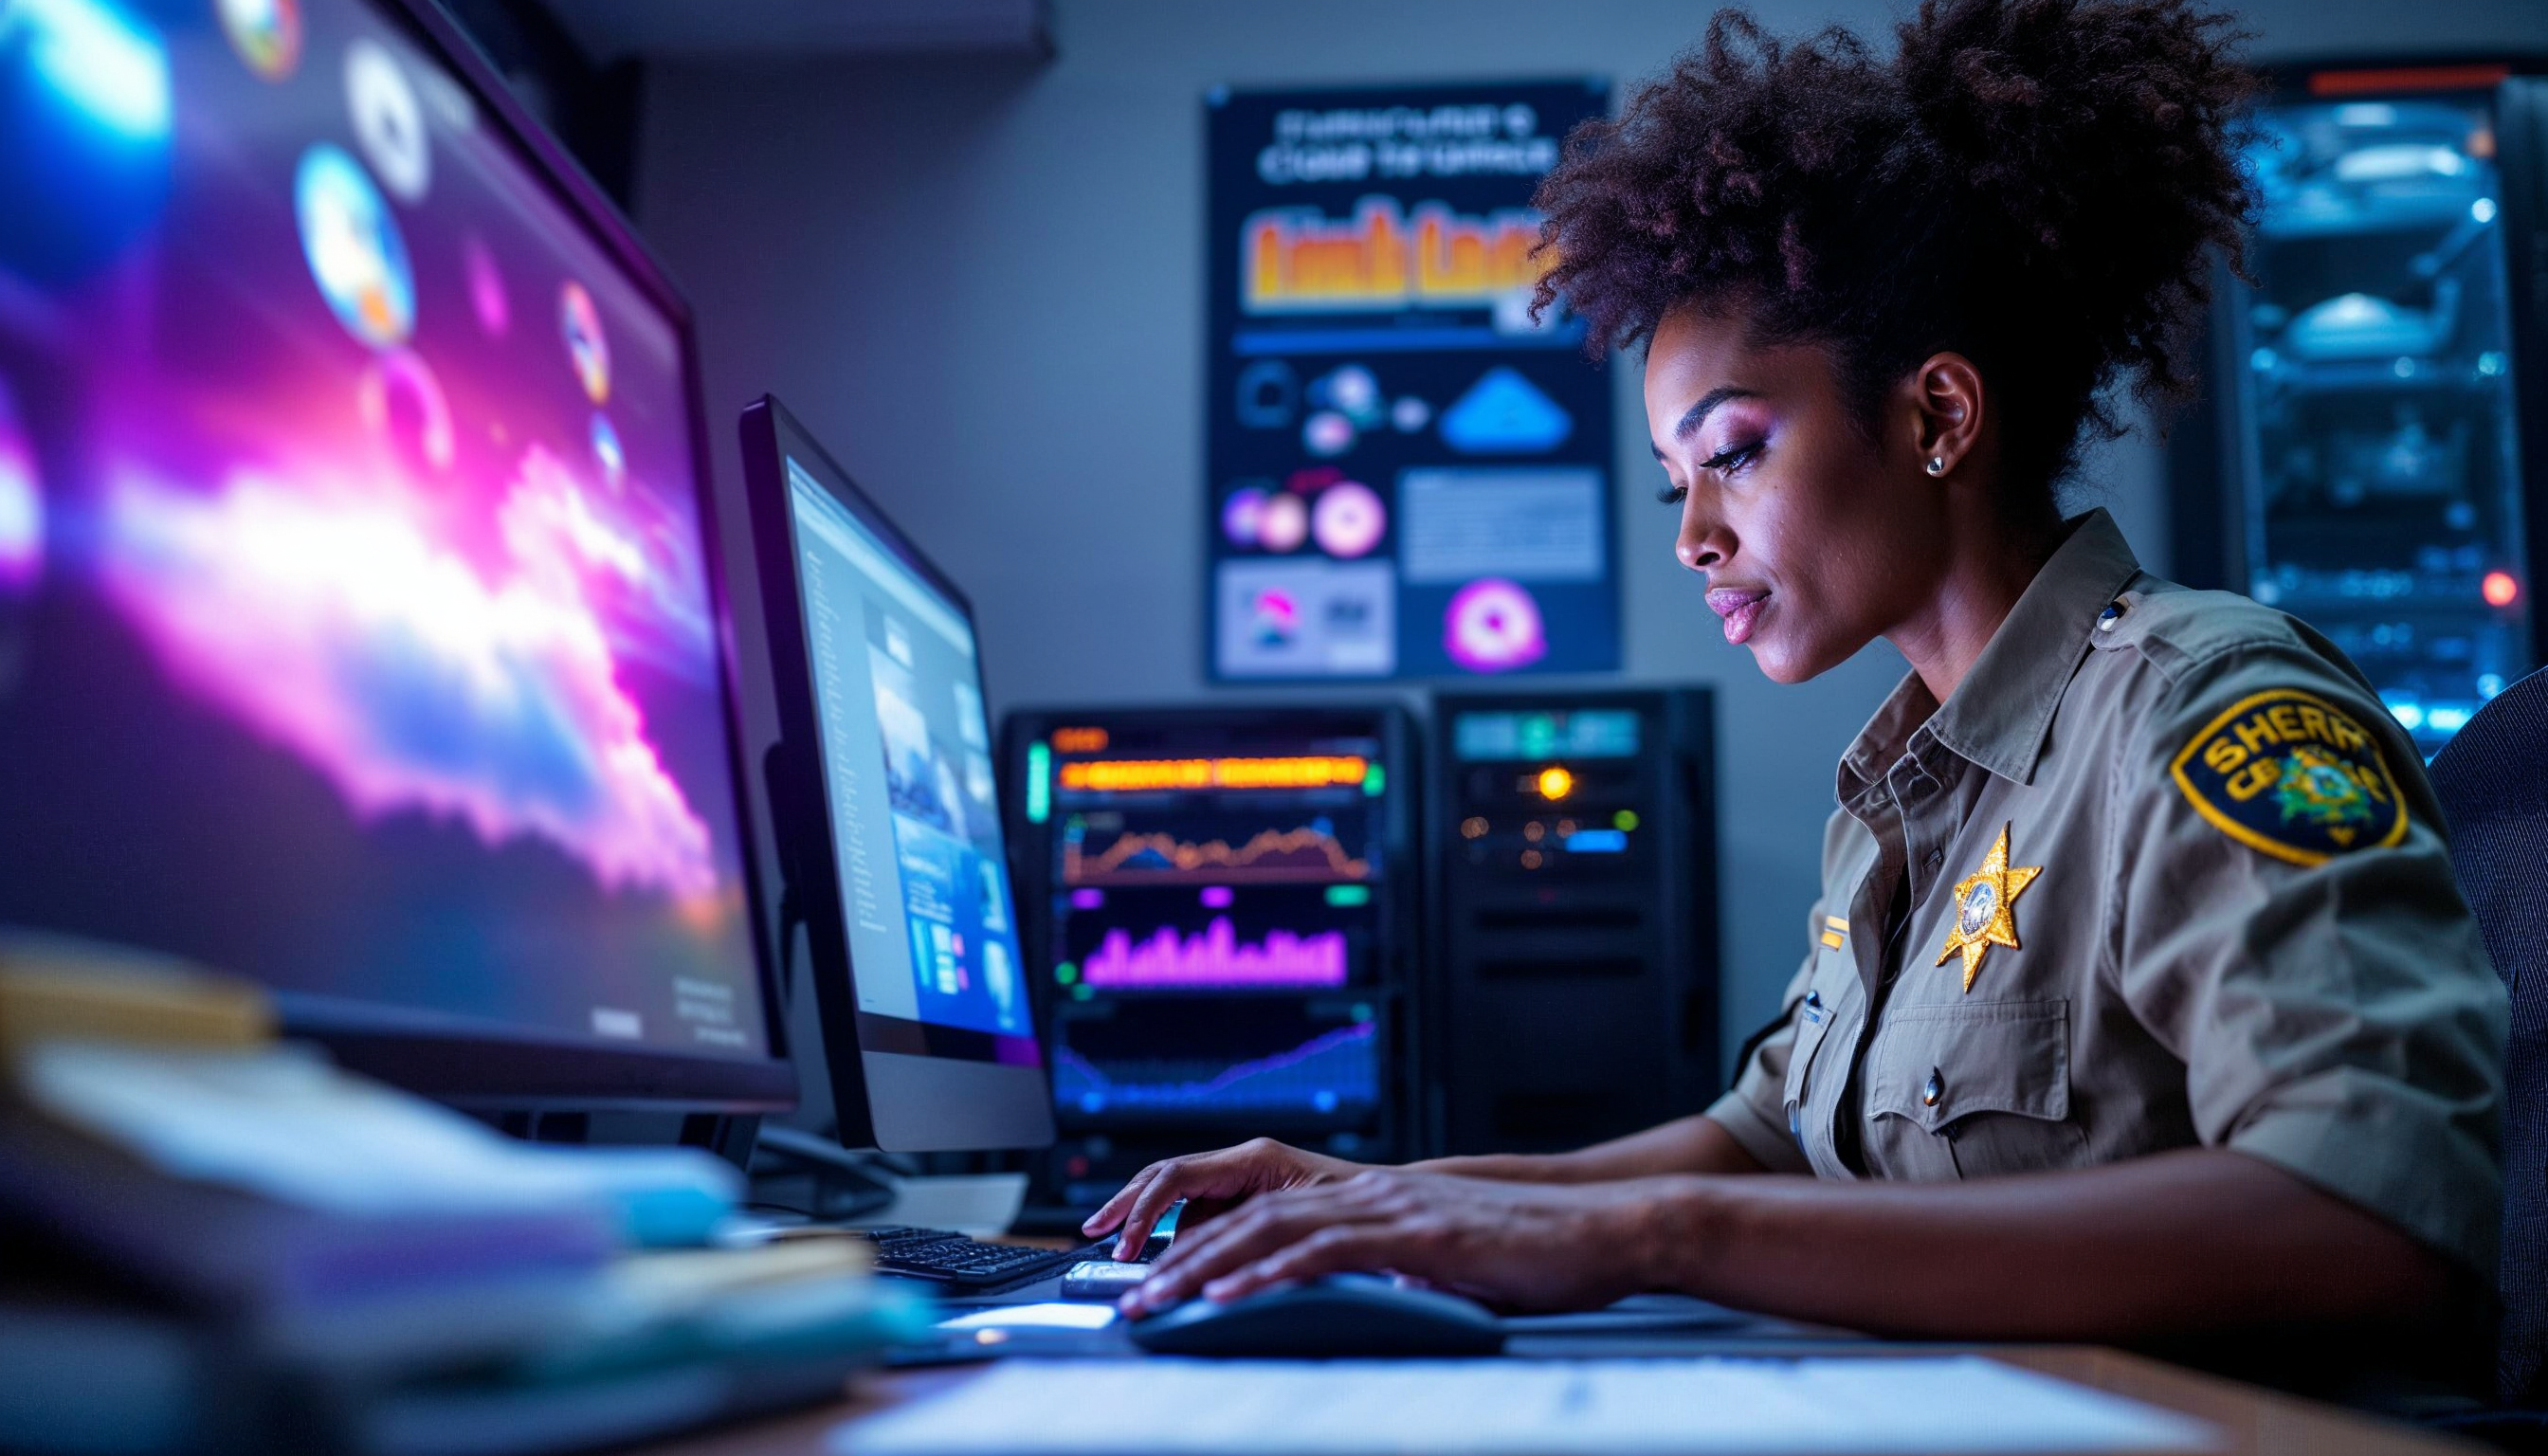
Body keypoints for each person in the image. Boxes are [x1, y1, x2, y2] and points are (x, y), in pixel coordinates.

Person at [1090, 0, 2508, 1389]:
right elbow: (1755, 1143)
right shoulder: (1903, 796)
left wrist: (1665, 1241)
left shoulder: (2205, 709)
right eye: (1677, 480)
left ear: (1937, 417)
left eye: (1737, 454)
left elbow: (2368, 1220)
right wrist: (1379, 1194)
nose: (1693, 536)